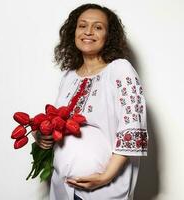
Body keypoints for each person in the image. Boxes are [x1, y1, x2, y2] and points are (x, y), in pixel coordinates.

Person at [33, 3, 148, 200]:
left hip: (103, 188)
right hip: (63, 187)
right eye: (82, 25)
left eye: (98, 27)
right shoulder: (69, 76)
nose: (88, 32)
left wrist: (105, 176)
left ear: (108, 35)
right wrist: (40, 135)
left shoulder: (119, 69)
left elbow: (132, 126)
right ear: (73, 31)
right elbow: (59, 123)